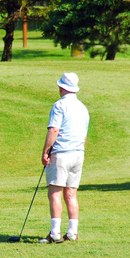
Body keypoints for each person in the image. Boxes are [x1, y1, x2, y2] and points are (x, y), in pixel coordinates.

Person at [41, 72, 89, 243]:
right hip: (78, 153)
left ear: (61, 87)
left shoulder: (59, 105)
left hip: (62, 153)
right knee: (71, 193)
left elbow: (54, 129)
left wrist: (46, 151)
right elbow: (84, 136)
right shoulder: (83, 107)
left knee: (55, 192)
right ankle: (72, 232)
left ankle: (55, 233)